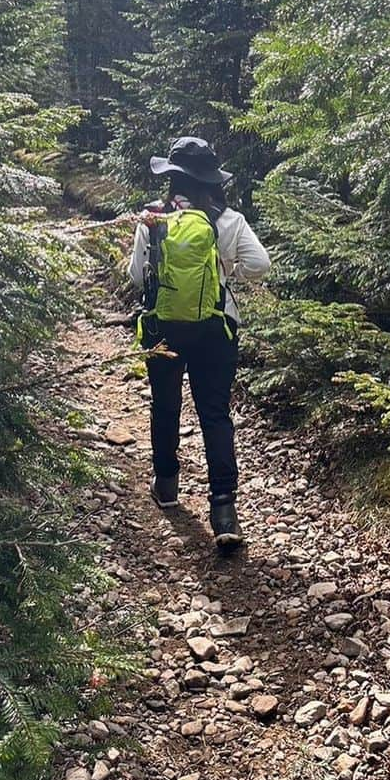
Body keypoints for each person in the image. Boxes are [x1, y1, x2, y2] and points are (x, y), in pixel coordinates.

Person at [129, 136, 271, 548]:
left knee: (166, 405)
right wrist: (225, 271)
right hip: (215, 328)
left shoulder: (153, 219)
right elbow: (260, 266)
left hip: (164, 329)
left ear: (172, 177)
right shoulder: (229, 220)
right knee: (215, 414)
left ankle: (168, 486)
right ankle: (224, 512)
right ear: (212, 180)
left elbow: (137, 277)